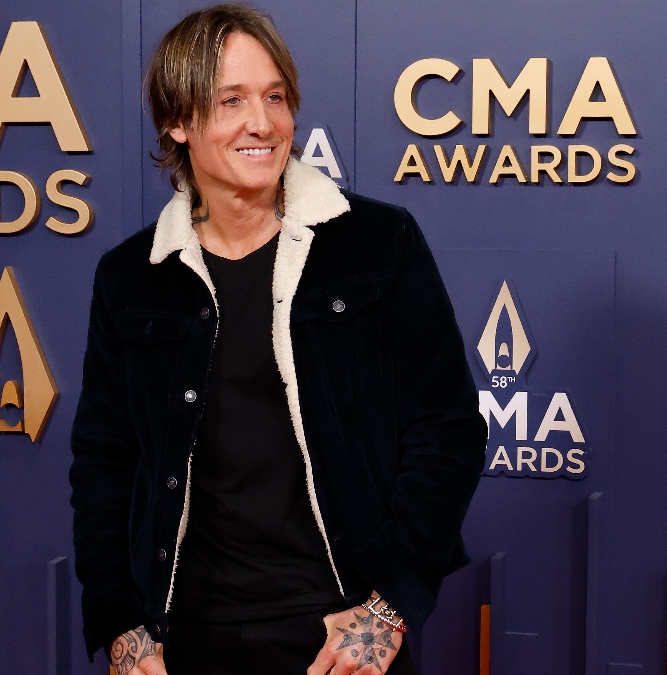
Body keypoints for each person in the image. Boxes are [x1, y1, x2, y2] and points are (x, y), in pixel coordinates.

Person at [68, 4, 486, 674]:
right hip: (181, 640)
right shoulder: (131, 278)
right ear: (178, 121)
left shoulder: (377, 245)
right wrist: (120, 622)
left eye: (275, 97)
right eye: (231, 100)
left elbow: (448, 430)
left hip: (337, 636)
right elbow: (104, 463)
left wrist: (387, 609)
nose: (262, 123)